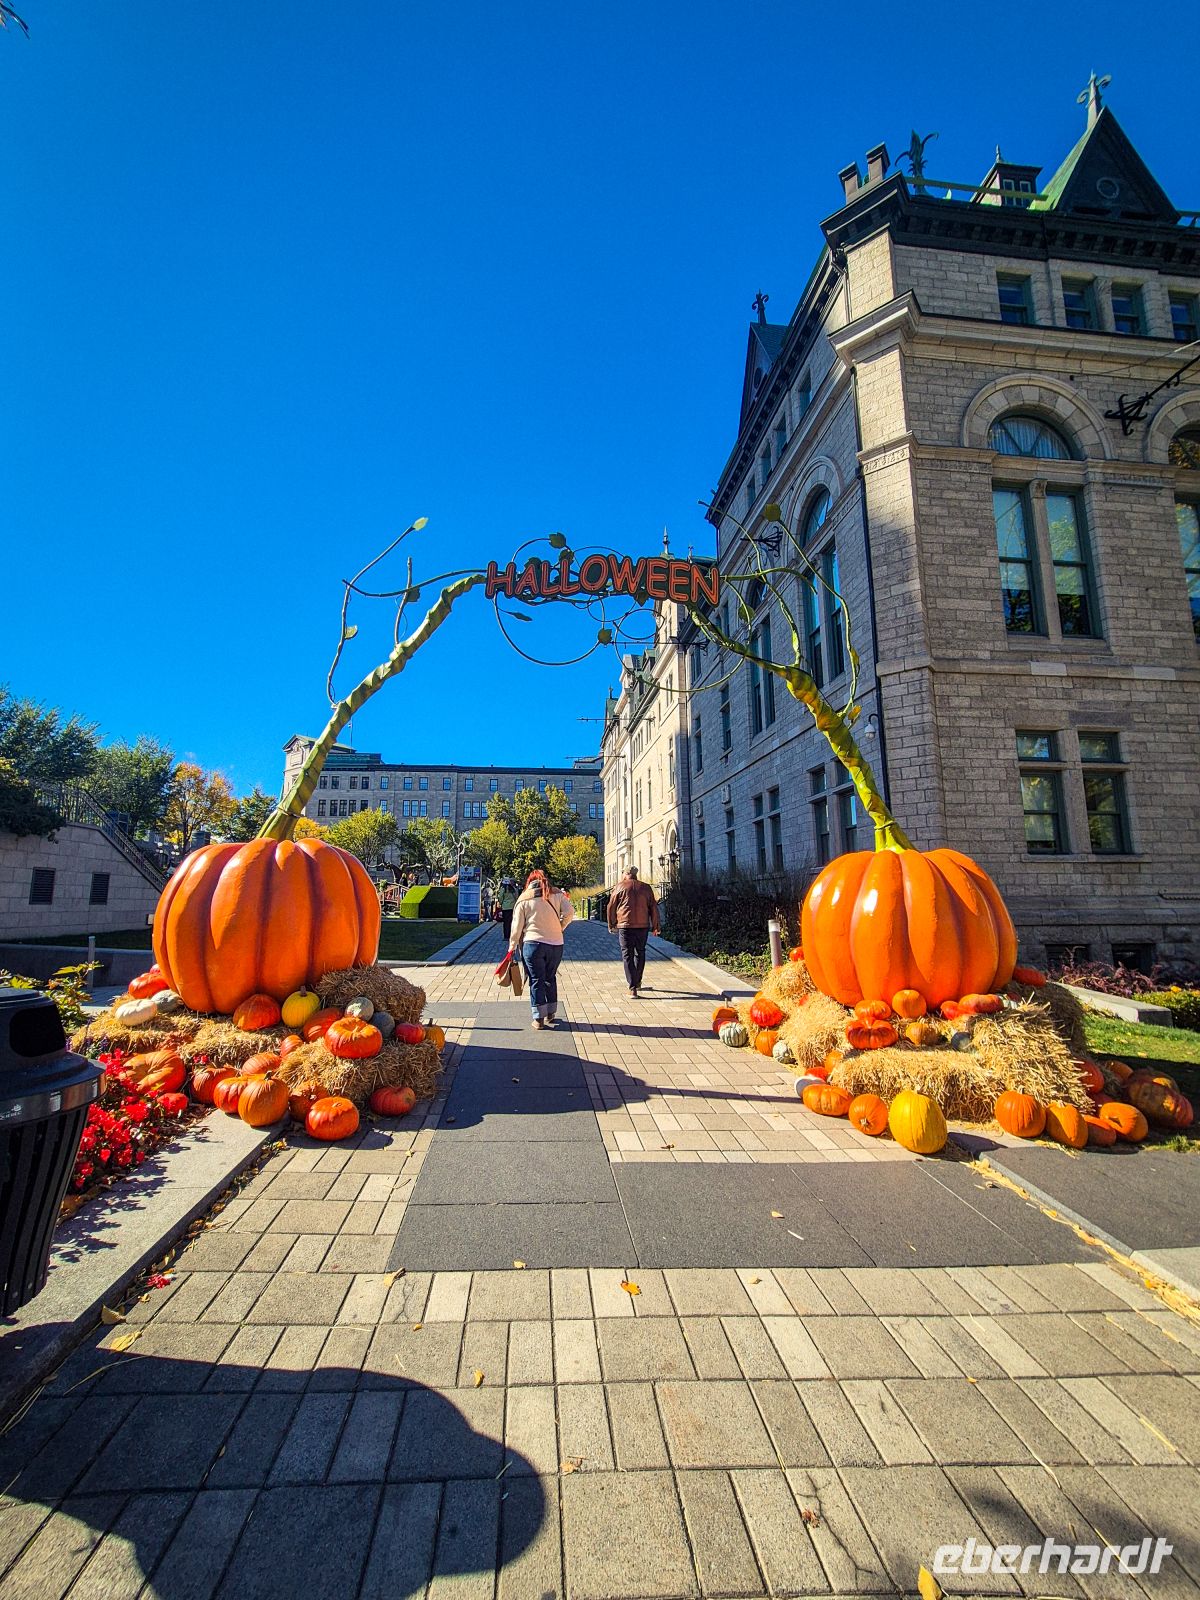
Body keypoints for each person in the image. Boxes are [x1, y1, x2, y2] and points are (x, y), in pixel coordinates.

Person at [508, 868, 575, 1029]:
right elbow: (570, 912)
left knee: (536, 980)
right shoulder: (557, 894)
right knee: (550, 977)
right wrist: (560, 926)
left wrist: (512, 947)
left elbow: (516, 928)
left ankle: (538, 1019)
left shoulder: (524, 898)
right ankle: (551, 1013)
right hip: (556, 944)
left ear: (529, 881)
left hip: (533, 944)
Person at [607, 865, 660, 997]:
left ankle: (632, 987)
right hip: (642, 926)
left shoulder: (619, 887)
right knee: (640, 953)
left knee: (627, 955)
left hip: (625, 926)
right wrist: (655, 926)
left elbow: (610, 907)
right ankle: (638, 981)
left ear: (625, 874)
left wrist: (612, 923)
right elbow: (653, 907)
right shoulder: (646, 887)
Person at [498, 876, 518, 941]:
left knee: (506, 922)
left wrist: (501, 903)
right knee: (512, 921)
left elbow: (500, 897)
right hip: (513, 907)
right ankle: (511, 935)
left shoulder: (503, 889)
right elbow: (516, 897)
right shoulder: (514, 889)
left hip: (505, 907)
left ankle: (506, 936)